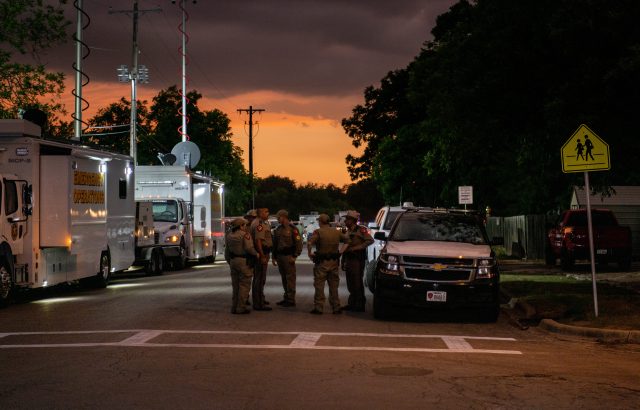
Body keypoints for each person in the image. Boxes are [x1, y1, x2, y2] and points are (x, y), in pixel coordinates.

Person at [307, 213, 349, 314]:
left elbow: (309, 243)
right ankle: (336, 307)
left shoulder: (318, 232)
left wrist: (310, 253)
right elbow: (347, 241)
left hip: (322, 263)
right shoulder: (336, 232)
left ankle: (319, 307)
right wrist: (340, 252)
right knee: (334, 286)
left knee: (319, 285)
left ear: (320, 221)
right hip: (334, 263)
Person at [341, 210, 374, 312]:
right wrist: (343, 261)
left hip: (357, 259)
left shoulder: (361, 230)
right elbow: (345, 247)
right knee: (350, 282)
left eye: (347, 219)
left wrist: (357, 247)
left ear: (352, 220)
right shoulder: (347, 231)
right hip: (349, 258)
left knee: (357, 282)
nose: (345, 220)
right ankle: (352, 303)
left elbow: (370, 240)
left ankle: (360, 304)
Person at [224, 218, 257, 314]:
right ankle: (241, 308)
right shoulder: (245, 235)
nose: (246, 227)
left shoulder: (229, 235)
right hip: (243, 261)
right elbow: (249, 248)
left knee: (235, 286)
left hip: (233, 261)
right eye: (245, 225)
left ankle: (234, 307)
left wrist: (230, 262)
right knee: (244, 285)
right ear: (241, 226)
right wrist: (256, 254)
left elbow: (227, 252)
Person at [272, 209, 303, 307]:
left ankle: (291, 299)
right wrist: (274, 257)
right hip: (280, 256)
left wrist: (295, 256)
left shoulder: (293, 229)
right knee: (284, 278)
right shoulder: (278, 229)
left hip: (289, 256)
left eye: (278, 217)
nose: (277, 219)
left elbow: (298, 243)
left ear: (284, 217)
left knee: (290, 278)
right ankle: (286, 297)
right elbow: (275, 244)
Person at [250, 207, 273, 311]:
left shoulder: (262, 222)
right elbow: (258, 241)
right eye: (266, 212)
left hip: (263, 253)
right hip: (261, 253)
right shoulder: (259, 224)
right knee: (259, 279)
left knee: (259, 278)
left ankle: (260, 300)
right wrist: (262, 255)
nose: (268, 213)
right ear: (260, 213)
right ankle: (258, 304)